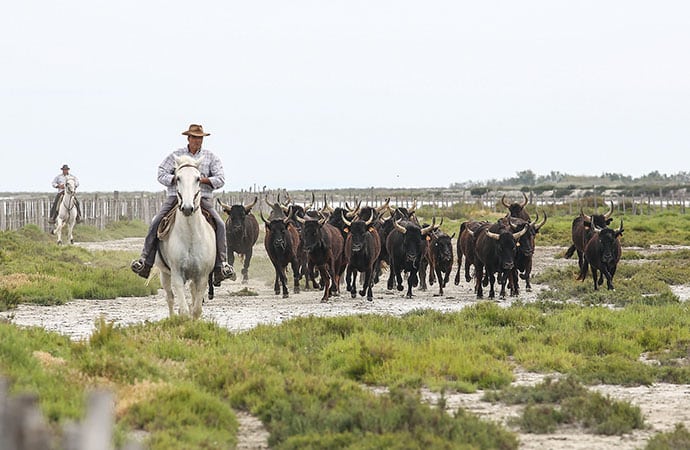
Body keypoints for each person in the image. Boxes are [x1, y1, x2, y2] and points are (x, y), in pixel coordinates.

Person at [130, 124, 235, 286]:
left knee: (220, 224)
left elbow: (220, 179)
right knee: (156, 221)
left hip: (203, 198)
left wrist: (202, 180)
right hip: (175, 197)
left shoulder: (210, 157)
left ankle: (221, 265)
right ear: (188, 138)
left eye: (200, 138)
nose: (197, 141)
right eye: (194, 137)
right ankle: (145, 261)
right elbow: (161, 173)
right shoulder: (175, 155)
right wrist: (176, 179)